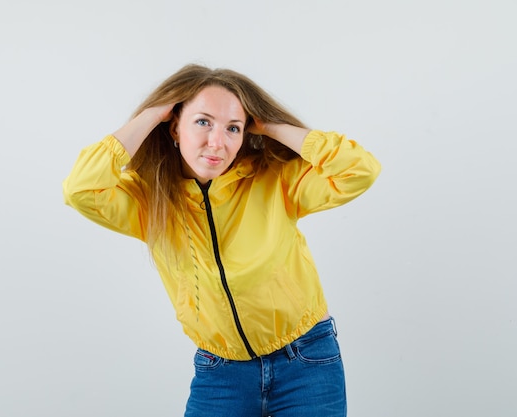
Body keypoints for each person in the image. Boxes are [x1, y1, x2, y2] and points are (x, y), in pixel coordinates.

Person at [63, 63, 381, 417]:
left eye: (233, 128)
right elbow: (81, 189)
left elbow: (359, 170)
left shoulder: (274, 181)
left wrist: (271, 125)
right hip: (221, 374)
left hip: (305, 361)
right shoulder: (150, 200)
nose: (217, 142)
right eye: (202, 122)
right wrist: (153, 113)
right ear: (174, 127)